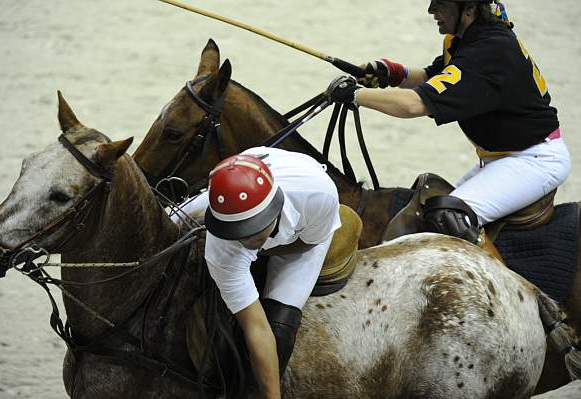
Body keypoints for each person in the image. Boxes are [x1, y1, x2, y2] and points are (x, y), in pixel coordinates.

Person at [326, 0, 571, 244]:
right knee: (428, 212)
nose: (431, 10)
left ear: (470, 8)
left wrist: (356, 95)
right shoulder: (468, 37)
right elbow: (433, 77)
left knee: (448, 218)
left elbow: (414, 105)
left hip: (533, 161)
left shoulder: (489, 50)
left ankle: (487, 281)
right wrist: (392, 73)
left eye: (440, 3)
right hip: (503, 158)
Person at [180, 147, 341, 399]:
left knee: (277, 328)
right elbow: (251, 321)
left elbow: (261, 330)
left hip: (303, 237)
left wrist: (260, 254)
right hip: (242, 175)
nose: (246, 238)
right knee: (173, 219)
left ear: (275, 207)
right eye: (239, 231)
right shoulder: (222, 245)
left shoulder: (319, 197)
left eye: (254, 227)